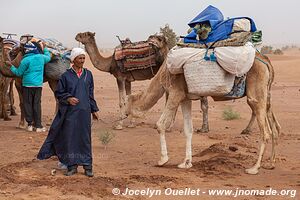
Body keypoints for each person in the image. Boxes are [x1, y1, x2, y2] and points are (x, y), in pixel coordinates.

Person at [37, 47, 99, 177]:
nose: (82, 61)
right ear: (73, 60)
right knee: (70, 138)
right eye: (79, 58)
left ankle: (88, 166)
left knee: (84, 139)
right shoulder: (66, 76)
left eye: (83, 58)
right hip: (70, 113)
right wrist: (68, 98)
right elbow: (59, 93)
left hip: (84, 112)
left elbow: (90, 93)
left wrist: (94, 109)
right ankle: (72, 166)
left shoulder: (88, 74)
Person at [7, 40, 51, 132]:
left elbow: (18, 73)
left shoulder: (25, 60)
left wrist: (11, 66)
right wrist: (45, 48)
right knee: (36, 104)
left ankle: (30, 125)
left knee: (27, 104)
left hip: (27, 85)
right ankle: (38, 126)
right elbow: (48, 57)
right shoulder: (41, 57)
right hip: (38, 85)